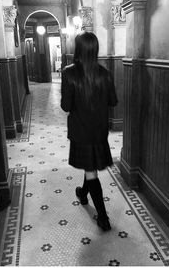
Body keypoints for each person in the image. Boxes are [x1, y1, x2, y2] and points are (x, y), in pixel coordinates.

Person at [61, 31, 118, 231]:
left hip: (81, 131)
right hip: (99, 130)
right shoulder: (105, 73)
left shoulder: (68, 72)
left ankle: (102, 217)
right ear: (95, 49)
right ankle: (83, 193)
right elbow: (113, 101)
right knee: (90, 166)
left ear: (78, 49)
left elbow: (66, 107)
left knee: (91, 171)